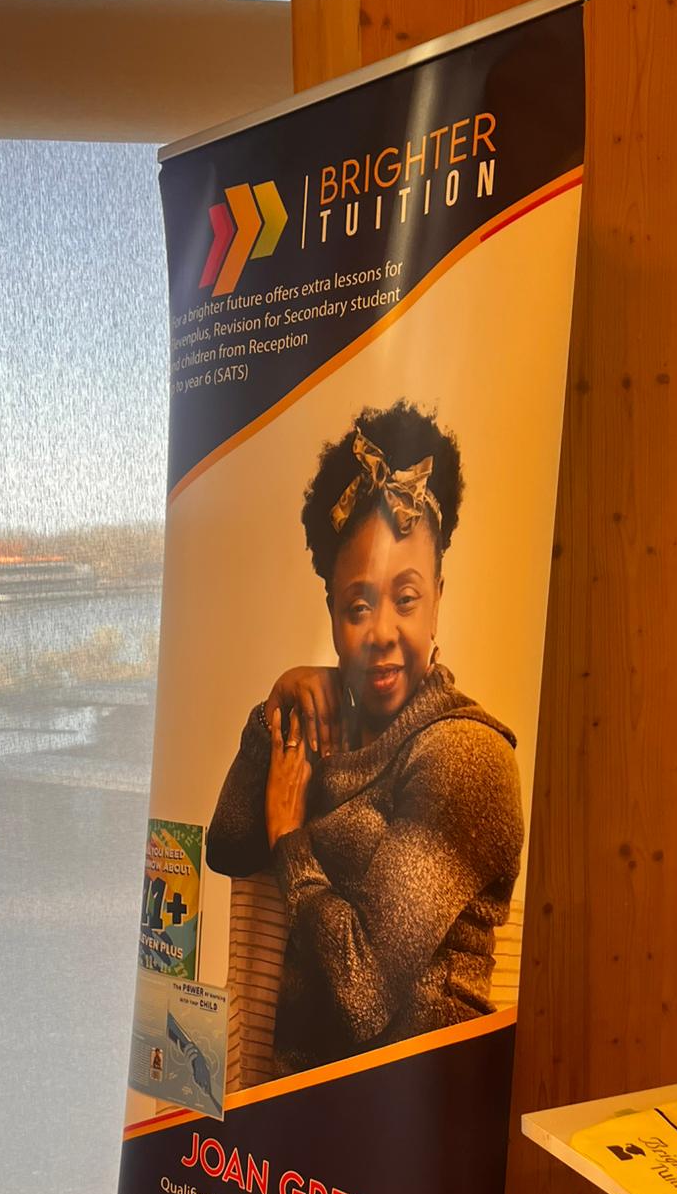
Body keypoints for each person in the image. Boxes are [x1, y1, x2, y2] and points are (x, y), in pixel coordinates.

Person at [206, 401, 525, 1074]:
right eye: (358, 605)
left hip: (412, 1105)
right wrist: (278, 702)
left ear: (437, 597)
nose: (381, 632)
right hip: (304, 1100)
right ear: (331, 611)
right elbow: (229, 844)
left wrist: (291, 839)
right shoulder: (331, 721)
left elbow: (364, 995)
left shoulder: (464, 755)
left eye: (405, 598)